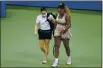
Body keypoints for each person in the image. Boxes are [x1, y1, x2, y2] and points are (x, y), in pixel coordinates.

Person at [52, 3, 72, 67]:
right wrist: (54, 30)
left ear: (64, 9)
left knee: (66, 47)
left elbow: (69, 25)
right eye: (58, 8)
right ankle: (56, 61)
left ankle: (69, 58)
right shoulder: (57, 14)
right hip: (57, 31)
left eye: (61, 8)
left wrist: (63, 29)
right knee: (57, 46)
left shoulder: (67, 16)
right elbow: (56, 22)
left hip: (65, 31)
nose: (59, 10)